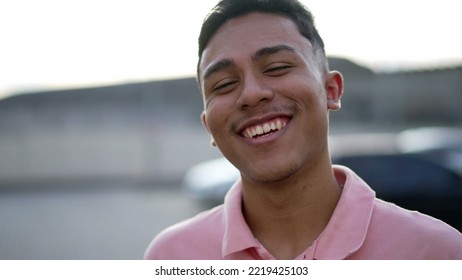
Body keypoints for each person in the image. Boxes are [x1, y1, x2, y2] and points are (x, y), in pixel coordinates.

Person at [144, 0, 462, 260]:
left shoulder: (435, 252)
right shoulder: (172, 257)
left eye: (277, 67)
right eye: (225, 84)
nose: (252, 94)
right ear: (208, 127)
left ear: (332, 90)